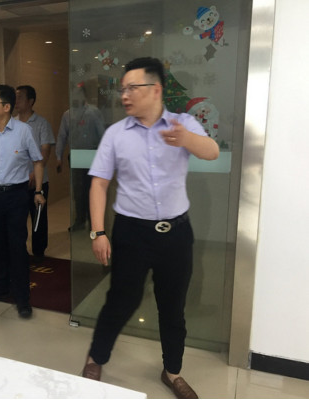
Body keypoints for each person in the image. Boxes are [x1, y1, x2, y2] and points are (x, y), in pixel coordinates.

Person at [82, 57, 219, 399]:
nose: (124, 95)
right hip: (131, 233)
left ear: (155, 89)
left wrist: (186, 139)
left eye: (132, 88)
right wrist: (98, 232)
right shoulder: (116, 134)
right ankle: (96, 357)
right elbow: (99, 183)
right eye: (122, 89)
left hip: (176, 233)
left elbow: (212, 152)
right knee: (120, 300)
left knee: (172, 306)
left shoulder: (183, 124)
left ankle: (172, 372)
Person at [0, 84, 45, 319]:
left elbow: (37, 161)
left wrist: (38, 191)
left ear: (6, 107)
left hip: (16, 195)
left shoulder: (23, 131)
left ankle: (22, 298)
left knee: (17, 246)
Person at [55, 83, 104, 231]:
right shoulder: (68, 114)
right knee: (78, 191)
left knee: (92, 189)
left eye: (78, 93)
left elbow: (102, 135)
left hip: (92, 154)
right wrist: (58, 156)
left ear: (84, 95)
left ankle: (93, 222)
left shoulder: (93, 112)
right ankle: (80, 220)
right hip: (76, 155)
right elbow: (62, 136)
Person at [15, 85, 55, 259]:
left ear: (30, 101)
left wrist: (34, 174)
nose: (16, 101)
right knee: (18, 218)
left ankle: (39, 252)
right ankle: (20, 250)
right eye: (15, 97)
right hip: (18, 181)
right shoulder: (12, 123)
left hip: (39, 181)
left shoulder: (41, 123)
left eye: (20, 97)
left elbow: (45, 151)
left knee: (38, 217)